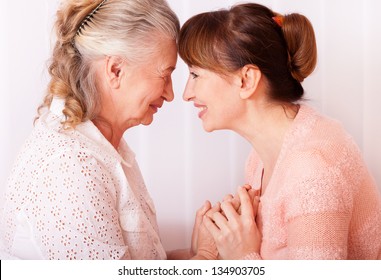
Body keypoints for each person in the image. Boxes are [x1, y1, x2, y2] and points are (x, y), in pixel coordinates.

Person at [178, 3, 381, 259]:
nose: (187, 94)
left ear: (246, 80)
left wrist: (242, 257)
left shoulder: (312, 170)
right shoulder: (259, 159)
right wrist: (208, 253)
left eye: (195, 75)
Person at [0, 0, 180, 259]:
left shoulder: (104, 147)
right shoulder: (70, 167)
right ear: (116, 70)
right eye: (165, 75)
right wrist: (207, 259)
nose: (171, 93)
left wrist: (199, 251)